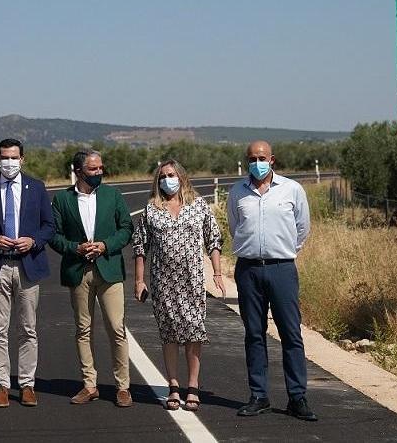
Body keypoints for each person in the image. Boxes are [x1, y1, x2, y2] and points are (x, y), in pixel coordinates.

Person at [226, 141, 316, 421]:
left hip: (282, 270)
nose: (257, 162)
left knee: (291, 334)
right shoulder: (237, 192)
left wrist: (285, 251)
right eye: (252, 158)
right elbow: (234, 226)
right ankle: (258, 395)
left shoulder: (292, 189)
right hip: (248, 270)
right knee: (254, 333)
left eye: (262, 157)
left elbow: (302, 228)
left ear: (272, 159)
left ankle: (297, 398)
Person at [0, 138, 55, 408]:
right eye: (4, 158)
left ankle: (27, 384)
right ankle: (2, 385)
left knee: (28, 328)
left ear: (22, 159)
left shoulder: (37, 188)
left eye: (13, 157)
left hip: (28, 265)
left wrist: (34, 241)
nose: (9, 162)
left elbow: (49, 226)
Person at [133, 159, 223, 412]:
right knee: (170, 333)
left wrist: (217, 272)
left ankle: (192, 386)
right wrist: (139, 281)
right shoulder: (152, 209)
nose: (166, 180)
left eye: (171, 175)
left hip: (192, 281)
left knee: (194, 332)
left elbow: (213, 239)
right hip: (163, 282)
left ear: (181, 177)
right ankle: (173, 385)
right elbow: (141, 247)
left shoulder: (198, 206)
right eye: (162, 176)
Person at [51, 149, 134, 407]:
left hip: (109, 269)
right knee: (83, 329)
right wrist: (75, 247)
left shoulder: (113, 195)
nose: (99, 172)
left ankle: (123, 387)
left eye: (100, 168)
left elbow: (126, 228)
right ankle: (89, 384)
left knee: (116, 328)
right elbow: (54, 235)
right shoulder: (62, 199)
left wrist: (105, 246)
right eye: (93, 169)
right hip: (79, 270)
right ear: (78, 171)